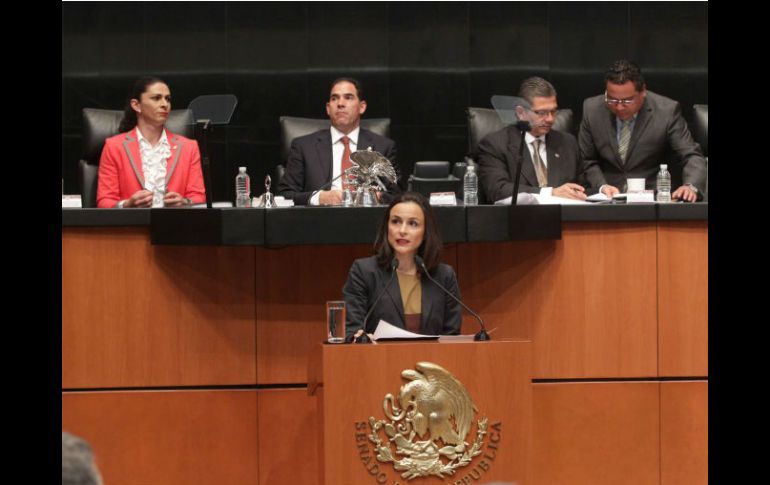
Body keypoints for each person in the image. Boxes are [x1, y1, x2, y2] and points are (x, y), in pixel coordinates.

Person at [579, 60, 706, 201]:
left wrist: (691, 186)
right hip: (607, 199)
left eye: (627, 101)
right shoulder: (592, 110)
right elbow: (586, 160)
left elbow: (691, 155)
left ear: (643, 91)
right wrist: (601, 186)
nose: (619, 107)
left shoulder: (666, 111)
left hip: (653, 199)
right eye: (612, 100)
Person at [342, 192, 461, 340]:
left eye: (413, 223)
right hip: (379, 355)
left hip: (433, 356)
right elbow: (352, 331)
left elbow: (452, 337)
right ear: (387, 227)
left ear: (426, 231)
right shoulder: (364, 272)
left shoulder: (443, 276)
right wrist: (359, 337)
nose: (402, 230)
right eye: (396, 221)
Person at [277, 77, 399, 205]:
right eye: (334, 98)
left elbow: (397, 196)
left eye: (348, 97)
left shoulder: (383, 147)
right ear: (328, 108)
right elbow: (284, 195)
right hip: (320, 215)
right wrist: (319, 198)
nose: (340, 103)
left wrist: (376, 197)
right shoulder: (304, 147)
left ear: (362, 107)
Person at [96, 76, 206, 208]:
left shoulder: (189, 147)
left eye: (167, 99)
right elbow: (104, 201)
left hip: (176, 220)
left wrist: (185, 202)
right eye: (156, 98)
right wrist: (127, 205)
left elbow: (199, 197)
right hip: (132, 221)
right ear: (136, 105)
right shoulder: (114, 146)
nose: (165, 104)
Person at [476, 76, 586, 203]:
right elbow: (498, 190)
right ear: (521, 112)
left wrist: (599, 190)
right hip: (519, 214)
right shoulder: (495, 144)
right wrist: (550, 193)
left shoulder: (568, 143)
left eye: (553, 111)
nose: (550, 119)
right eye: (542, 113)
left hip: (565, 214)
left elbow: (584, 188)